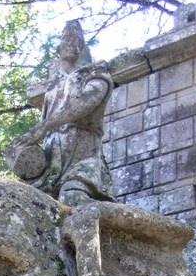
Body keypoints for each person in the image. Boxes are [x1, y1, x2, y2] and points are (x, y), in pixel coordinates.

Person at [6, 20, 116, 207]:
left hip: (83, 158)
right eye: (65, 38)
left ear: (83, 45)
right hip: (52, 159)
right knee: (32, 206)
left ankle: (107, 220)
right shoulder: (53, 85)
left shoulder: (96, 74)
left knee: (71, 197)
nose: (70, 43)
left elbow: (83, 106)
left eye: (76, 39)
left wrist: (44, 126)